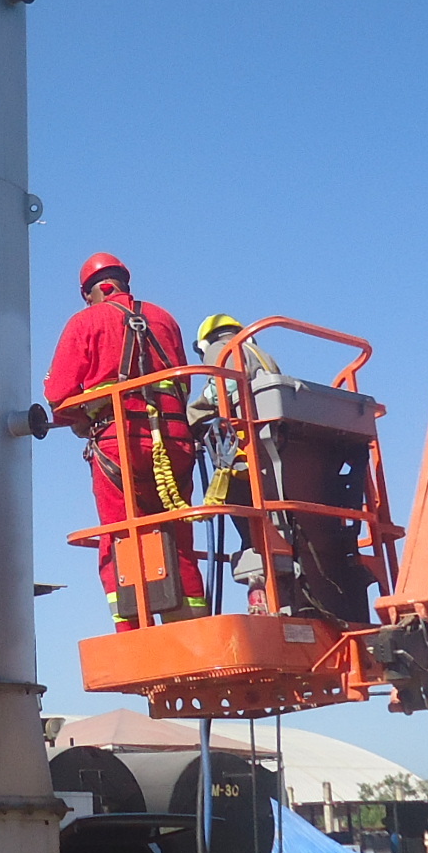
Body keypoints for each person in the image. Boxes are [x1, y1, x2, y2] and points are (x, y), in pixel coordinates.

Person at [44, 253, 205, 628]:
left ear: (90, 293)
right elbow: (183, 384)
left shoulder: (86, 320)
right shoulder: (165, 318)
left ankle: (134, 635)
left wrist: (78, 419)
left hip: (119, 442)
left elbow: (58, 393)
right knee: (178, 537)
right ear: (123, 283)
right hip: (175, 439)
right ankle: (193, 631)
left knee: (120, 538)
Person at [188, 314, 281, 601]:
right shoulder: (262, 355)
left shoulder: (222, 349)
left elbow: (220, 391)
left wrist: (189, 420)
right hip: (274, 456)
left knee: (247, 523)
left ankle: (256, 570)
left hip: (246, 459)